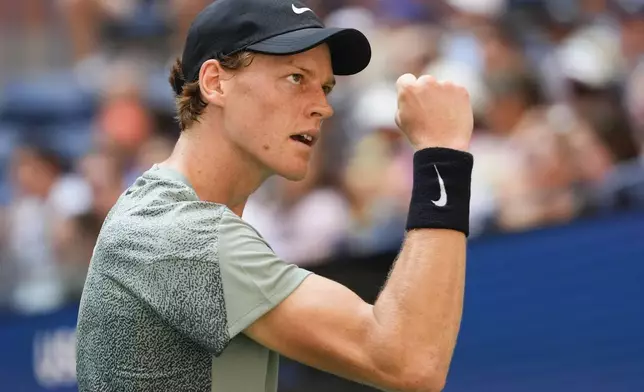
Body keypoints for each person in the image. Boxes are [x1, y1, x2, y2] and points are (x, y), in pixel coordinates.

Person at [75, 0, 474, 391]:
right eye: (296, 78)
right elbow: (407, 360)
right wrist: (442, 152)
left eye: (326, 87)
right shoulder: (178, 235)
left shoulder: (165, 216)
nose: (323, 107)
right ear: (215, 82)